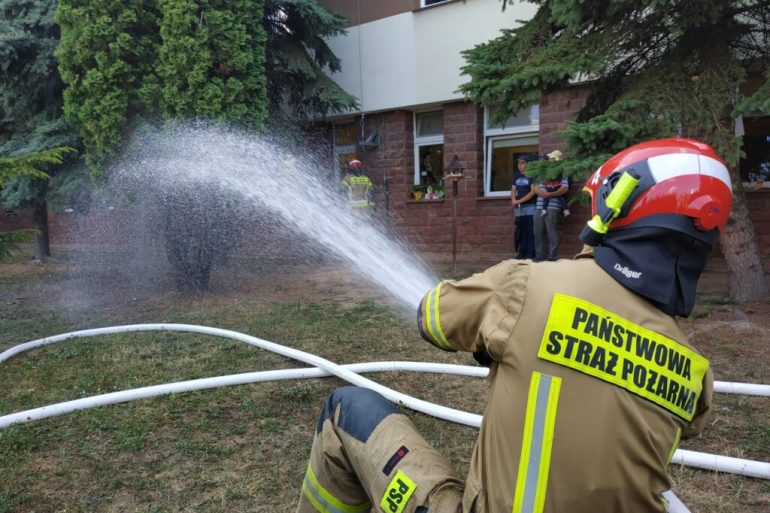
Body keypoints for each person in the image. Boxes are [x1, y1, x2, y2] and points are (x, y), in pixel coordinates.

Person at [296, 138, 732, 513]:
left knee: (346, 408)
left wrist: (495, 330)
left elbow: (431, 316)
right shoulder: (695, 375)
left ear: (617, 207)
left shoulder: (528, 286)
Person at [533, 150, 570, 261]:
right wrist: (544, 194)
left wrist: (550, 194)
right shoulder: (541, 172)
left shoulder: (562, 173)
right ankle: (539, 255)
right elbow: (534, 187)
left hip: (553, 206)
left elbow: (564, 188)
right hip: (539, 206)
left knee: (551, 232)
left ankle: (552, 256)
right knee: (537, 232)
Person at [511, 154, 537, 259]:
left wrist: (519, 200)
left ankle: (531, 253)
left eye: (522, 163)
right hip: (519, 208)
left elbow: (533, 192)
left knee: (530, 230)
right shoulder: (516, 176)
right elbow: (513, 189)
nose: (519, 165)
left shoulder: (532, 176)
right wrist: (513, 200)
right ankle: (521, 252)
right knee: (520, 230)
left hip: (530, 206)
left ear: (528, 164)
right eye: (518, 163)